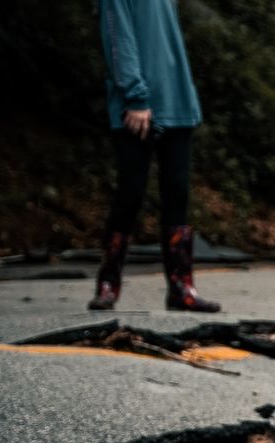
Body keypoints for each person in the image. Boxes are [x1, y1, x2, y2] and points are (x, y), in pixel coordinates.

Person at [89, 0, 219, 312]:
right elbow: (118, 40)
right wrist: (135, 95)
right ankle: (108, 283)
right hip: (138, 107)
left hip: (178, 103)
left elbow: (169, 43)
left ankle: (181, 287)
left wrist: (188, 101)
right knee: (130, 193)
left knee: (178, 194)